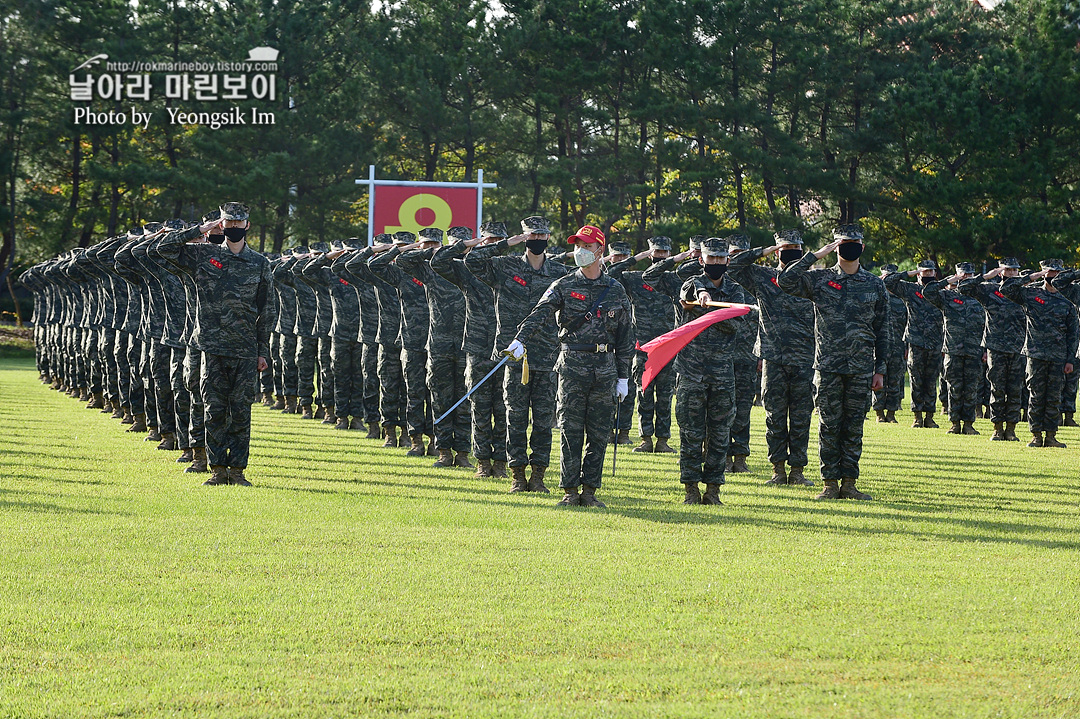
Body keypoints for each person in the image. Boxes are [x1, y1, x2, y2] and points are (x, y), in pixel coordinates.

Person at [506, 224, 632, 507]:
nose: (580, 251)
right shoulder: (564, 284)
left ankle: (590, 491)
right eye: (577, 246)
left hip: (605, 367)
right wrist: (520, 340)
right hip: (572, 366)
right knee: (570, 430)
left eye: (586, 246)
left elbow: (626, 338)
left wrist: (624, 378)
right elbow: (540, 314)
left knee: (598, 433)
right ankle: (570, 491)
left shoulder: (616, 290)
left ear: (600, 250)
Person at [150, 202, 275, 486]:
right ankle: (218, 469)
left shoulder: (259, 263)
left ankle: (238, 471)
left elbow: (266, 310)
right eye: (227, 224)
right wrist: (200, 229)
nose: (232, 229)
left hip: (244, 349)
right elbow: (160, 249)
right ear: (221, 225)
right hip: (210, 346)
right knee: (213, 410)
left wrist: (262, 351)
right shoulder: (203, 255)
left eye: (237, 224)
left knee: (241, 412)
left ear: (247, 226)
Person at [777, 224, 888, 501]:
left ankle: (849, 483)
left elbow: (884, 329)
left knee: (853, 426)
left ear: (862, 247)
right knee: (828, 424)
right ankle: (829, 483)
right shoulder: (820, 279)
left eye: (854, 242)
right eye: (843, 242)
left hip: (862, 367)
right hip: (828, 366)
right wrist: (814, 255)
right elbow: (785, 281)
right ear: (835, 247)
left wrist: (881, 369)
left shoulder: (875, 284)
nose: (849, 246)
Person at [465, 217, 569, 493]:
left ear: (548, 237)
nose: (537, 239)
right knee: (515, 418)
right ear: (523, 238)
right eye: (531, 235)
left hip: (546, 355)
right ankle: (517, 475)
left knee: (544, 419)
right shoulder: (505, 265)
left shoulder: (559, 271)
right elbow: (472, 261)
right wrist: (503, 244)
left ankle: (538, 475)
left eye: (542, 234)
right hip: (513, 355)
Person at [728, 230, 816, 486]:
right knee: (775, 417)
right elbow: (733, 268)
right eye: (785, 248)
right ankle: (777, 469)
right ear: (777, 251)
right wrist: (763, 251)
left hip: (803, 359)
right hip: (773, 358)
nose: (791, 252)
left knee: (801, 417)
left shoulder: (810, 280)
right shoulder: (765, 278)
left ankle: (797, 470)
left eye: (795, 247)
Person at [674, 237, 754, 504]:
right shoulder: (691, 284)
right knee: (691, 435)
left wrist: (709, 313)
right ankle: (691, 490)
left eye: (721, 259)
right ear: (702, 260)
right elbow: (688, 293)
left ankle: (713, 491)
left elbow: (735, 324)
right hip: (691, 372)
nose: (716, 263)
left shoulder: (736, 291)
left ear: (728, 261)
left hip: (721, 373)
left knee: (720, 436)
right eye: (712, 259)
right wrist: (702, 297)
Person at [431, 222, 509, 478]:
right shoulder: (467, 270)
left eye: (500, 241)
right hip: (476, 348)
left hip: (506, 350)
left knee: (504, 409)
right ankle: (481, 461)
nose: (494, 246)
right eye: (489, 241)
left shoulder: (513, 268)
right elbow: (438, 262)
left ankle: (500, 462)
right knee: (479, 407)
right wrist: (465, 245)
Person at [396, 227, 473, 469]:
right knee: (439, 398)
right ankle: (442, 451)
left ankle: (462, 452)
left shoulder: (472, 269)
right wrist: (429, 251)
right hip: (438, 345)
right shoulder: (431, 269)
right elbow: (401, 260)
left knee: (464, 401)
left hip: (466, 344)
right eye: (454, 244)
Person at [605, 236, 679, 454]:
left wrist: (677, 260)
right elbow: (611, 274)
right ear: (649, 253)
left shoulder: (675, 279)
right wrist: (634, 259)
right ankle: (645, 438)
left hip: (668, 346)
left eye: (664, 253)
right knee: (644, 393)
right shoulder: (636, 279)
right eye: (656, 253)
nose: (660, 257)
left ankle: (663, 440)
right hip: (643, 346)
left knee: (665, 396)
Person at [998, 259, 1079, 448]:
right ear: (1043, 274)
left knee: (1053, 397)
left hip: (1058, 357)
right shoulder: (1031, 293)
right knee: (1035, 396)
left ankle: (1051, 435)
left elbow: (1073, 333)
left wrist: (1070, 359)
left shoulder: (1067, 300)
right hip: (1035, 355)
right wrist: (1029, 277)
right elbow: (1005, 289)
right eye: (1049, 273)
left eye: (1057, 273)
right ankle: (1035, 435)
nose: (1053, 277)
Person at [957, 258, 1027, 441]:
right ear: (1001, 271)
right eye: (1008, 270)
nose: (1012, 273)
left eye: (1014, 270)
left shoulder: (1024, 292)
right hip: (995, 347)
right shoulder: (989, 290)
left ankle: (1011, 429)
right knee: (996, 389)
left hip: (1018, 347)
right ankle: (997, 428)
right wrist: (986, 276)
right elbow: (963, 288)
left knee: (1014, 390)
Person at [922, 263, 987, 435]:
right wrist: (947, 281)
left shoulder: (980, 297)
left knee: (971, 388)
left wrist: (986, 350)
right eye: (963, 275)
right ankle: (955, 423)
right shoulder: (947, 296)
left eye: (969, 274)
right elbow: (927, 292)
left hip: (974, 350)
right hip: (953, 350)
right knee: (954, 388)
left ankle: (968, 424)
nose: (966, 278)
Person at [884, 260, 944, 428]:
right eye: (924, 272)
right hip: (916, 342)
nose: (928, 275)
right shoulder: (911, 290)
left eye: (930, 272)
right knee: (916, 380)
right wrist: (909, 273)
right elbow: (887, 282)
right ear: (919, 274)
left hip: (935, 342)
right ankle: (917, 416)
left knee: (931, 382)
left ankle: (930, 417)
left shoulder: (939, 292)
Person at [723, 234, 759, 474]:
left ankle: (740, 457)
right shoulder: (717, 285)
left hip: (747, 358)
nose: (739, 260)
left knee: (743, 411)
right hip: (721, 359)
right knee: (722, 411)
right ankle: (722, 456)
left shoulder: (757, 284)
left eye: (742, 254)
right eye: (734, 254)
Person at [874, 264, 907, 423]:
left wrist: (907, 347)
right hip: (879, 345)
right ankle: (879, 413)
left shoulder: (902, 301)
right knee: (878, 379)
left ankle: (892, 413)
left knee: (894, 380)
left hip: (897, 346)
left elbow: (908, 324)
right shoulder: (876, 297)